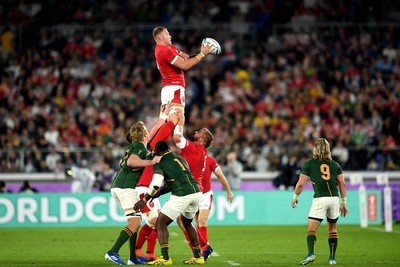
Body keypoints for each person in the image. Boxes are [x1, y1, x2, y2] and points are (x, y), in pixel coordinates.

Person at [104, 104, 180, 265]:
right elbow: (132, 162)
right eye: (147, 132)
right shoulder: (139, 147)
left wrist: (163, 115)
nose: (149, 134)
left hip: (121, 186)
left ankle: (132, 257)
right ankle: (112, 252)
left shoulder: (138, 144)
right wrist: (151, 161)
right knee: (135, 222)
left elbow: (154, 130)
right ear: (144, 135)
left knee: (136, 221)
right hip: (126, 188)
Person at [133, 140, 204, 265]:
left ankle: (165, 258)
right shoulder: (180, 159)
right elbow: (174, 183)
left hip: (182, 195)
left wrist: (144, 200)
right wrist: (159, 194)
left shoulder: (160, 162)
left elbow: (155, 185)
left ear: (157, 152)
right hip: (196, 193)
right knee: (187, 223)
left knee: (160, 223)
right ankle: (198, 256)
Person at [149, 26, 215, 143]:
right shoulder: (163, 51)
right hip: (174, 88)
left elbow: (187, 58)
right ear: (160, 37)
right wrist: (203, 54)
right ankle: (156, 146)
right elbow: (185, 66)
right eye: (167, 34)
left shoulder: (171, 48)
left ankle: (151, 143)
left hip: (169, 88)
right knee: (176, 119)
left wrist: (202, 52)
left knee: (164, 121)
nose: (170, 36)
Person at [291, 138, 348, 265]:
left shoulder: (309, 164)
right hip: (334, 198)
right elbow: (342, 184)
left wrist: (295, 197)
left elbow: (300, 184)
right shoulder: (335, 165)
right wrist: (343, 202)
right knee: (332, 229)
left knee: (312, 230)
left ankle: (311, 254)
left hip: (320, 198)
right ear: (328, 149)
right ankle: (332, 259)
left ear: (315, 149)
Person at [195, 155, 234, 260]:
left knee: (202, 220)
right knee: (197, 223)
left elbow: (220, 175)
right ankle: (204, 247)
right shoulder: (189, 158)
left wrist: (229, 191)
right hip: (193, 194)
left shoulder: (210, 160)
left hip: (205, 194)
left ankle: (204, 249)